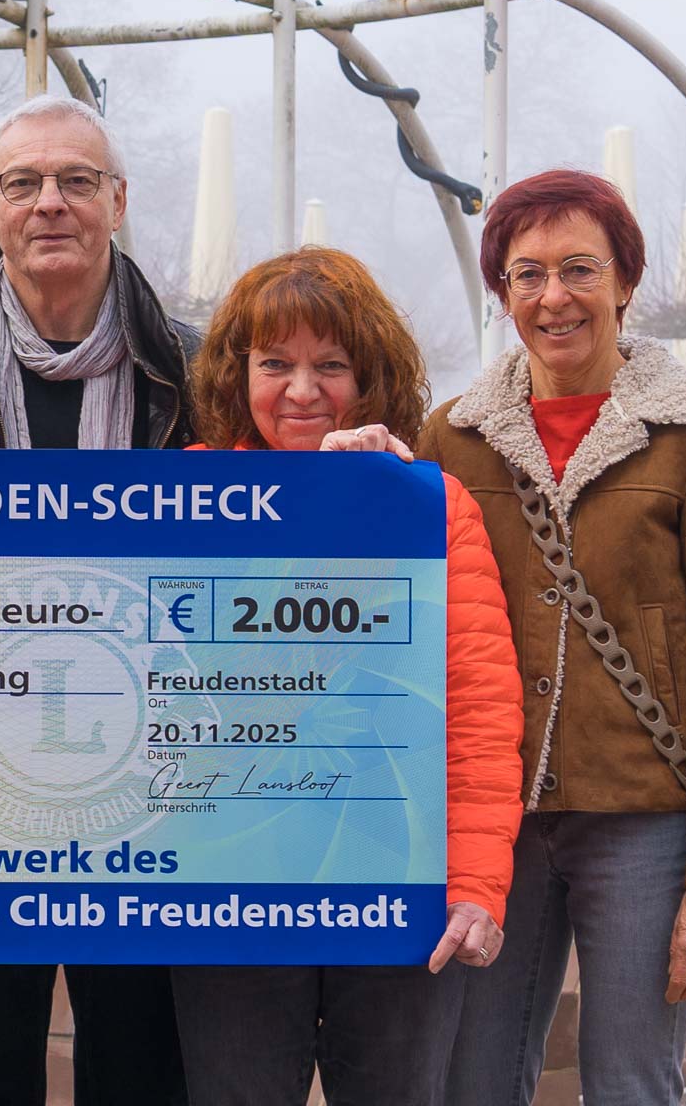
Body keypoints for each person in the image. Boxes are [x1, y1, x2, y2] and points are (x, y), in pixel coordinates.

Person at [424, 169, 686, 1105]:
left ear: (626, 280)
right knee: (471, 1082)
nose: (554, 297)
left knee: (631, 1085)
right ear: (503, 293)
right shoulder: (451, 441)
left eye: (580, 268)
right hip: (495, 825)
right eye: (528, 274)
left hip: (645, 824)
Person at [173, 247, 524, 1106]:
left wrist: (478, 885)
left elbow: (477, 711)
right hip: (234, 885)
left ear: (371, 378)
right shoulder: (184, 498)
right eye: (275, 364)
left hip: (395, 875)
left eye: (330, 365)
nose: (302, 390)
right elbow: (183, 680)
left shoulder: (425, 503)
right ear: (237, 374)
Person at [0, 95, 193, 1106]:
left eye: (77, 180)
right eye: (24, 183)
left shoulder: (198, 366)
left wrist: (352, 464)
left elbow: (274, 500)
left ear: (118, 201)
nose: (50, 203)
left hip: (153, 787)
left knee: (144, 1067)